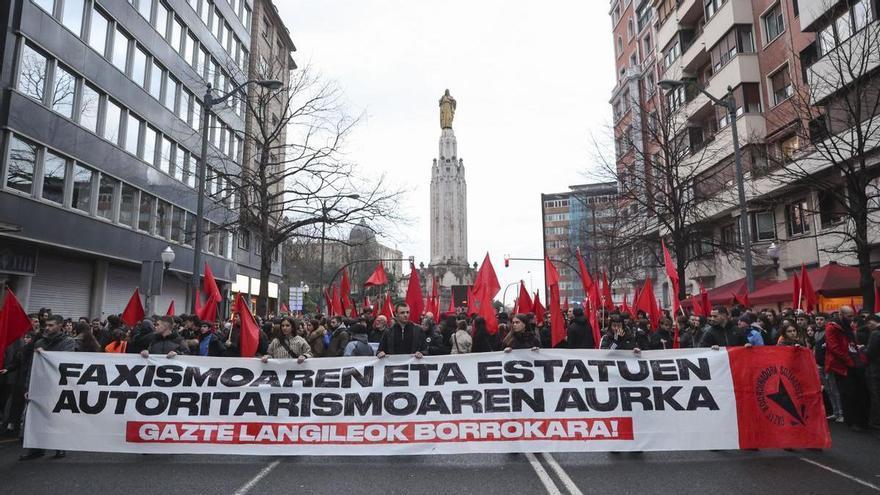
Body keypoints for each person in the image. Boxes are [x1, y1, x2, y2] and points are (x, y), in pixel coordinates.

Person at [20, 315, 74, 460]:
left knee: (58, 417)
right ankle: (36, 448)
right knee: (37, 416)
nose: (47, 328)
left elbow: (66, 362)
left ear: (60, 326)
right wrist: (27, 387)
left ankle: (59, 447)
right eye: (47, 325)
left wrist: (47, 355)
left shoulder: (68, 342)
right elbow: (33, 366)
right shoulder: (39, 342)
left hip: (57, 384)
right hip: (40, 385)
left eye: (51, 325)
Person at [825, 306, 870, 430]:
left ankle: (861, 420)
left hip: (854, 363)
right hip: (842, 366)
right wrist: (849, 360)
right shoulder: (832, 328)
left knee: (860, 392)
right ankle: (852, 421)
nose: (851, 318)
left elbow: (852, 344)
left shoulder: (850, 326)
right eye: (849, 316)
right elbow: (834, 348)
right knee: (848, 394)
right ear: (841, 315)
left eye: (852, 316)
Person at [867, 321, 880, 430]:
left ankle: (875, 421)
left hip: (875, 368)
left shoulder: (875, 333)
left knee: (876, 395)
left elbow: (870, 352)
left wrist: (863, 349)